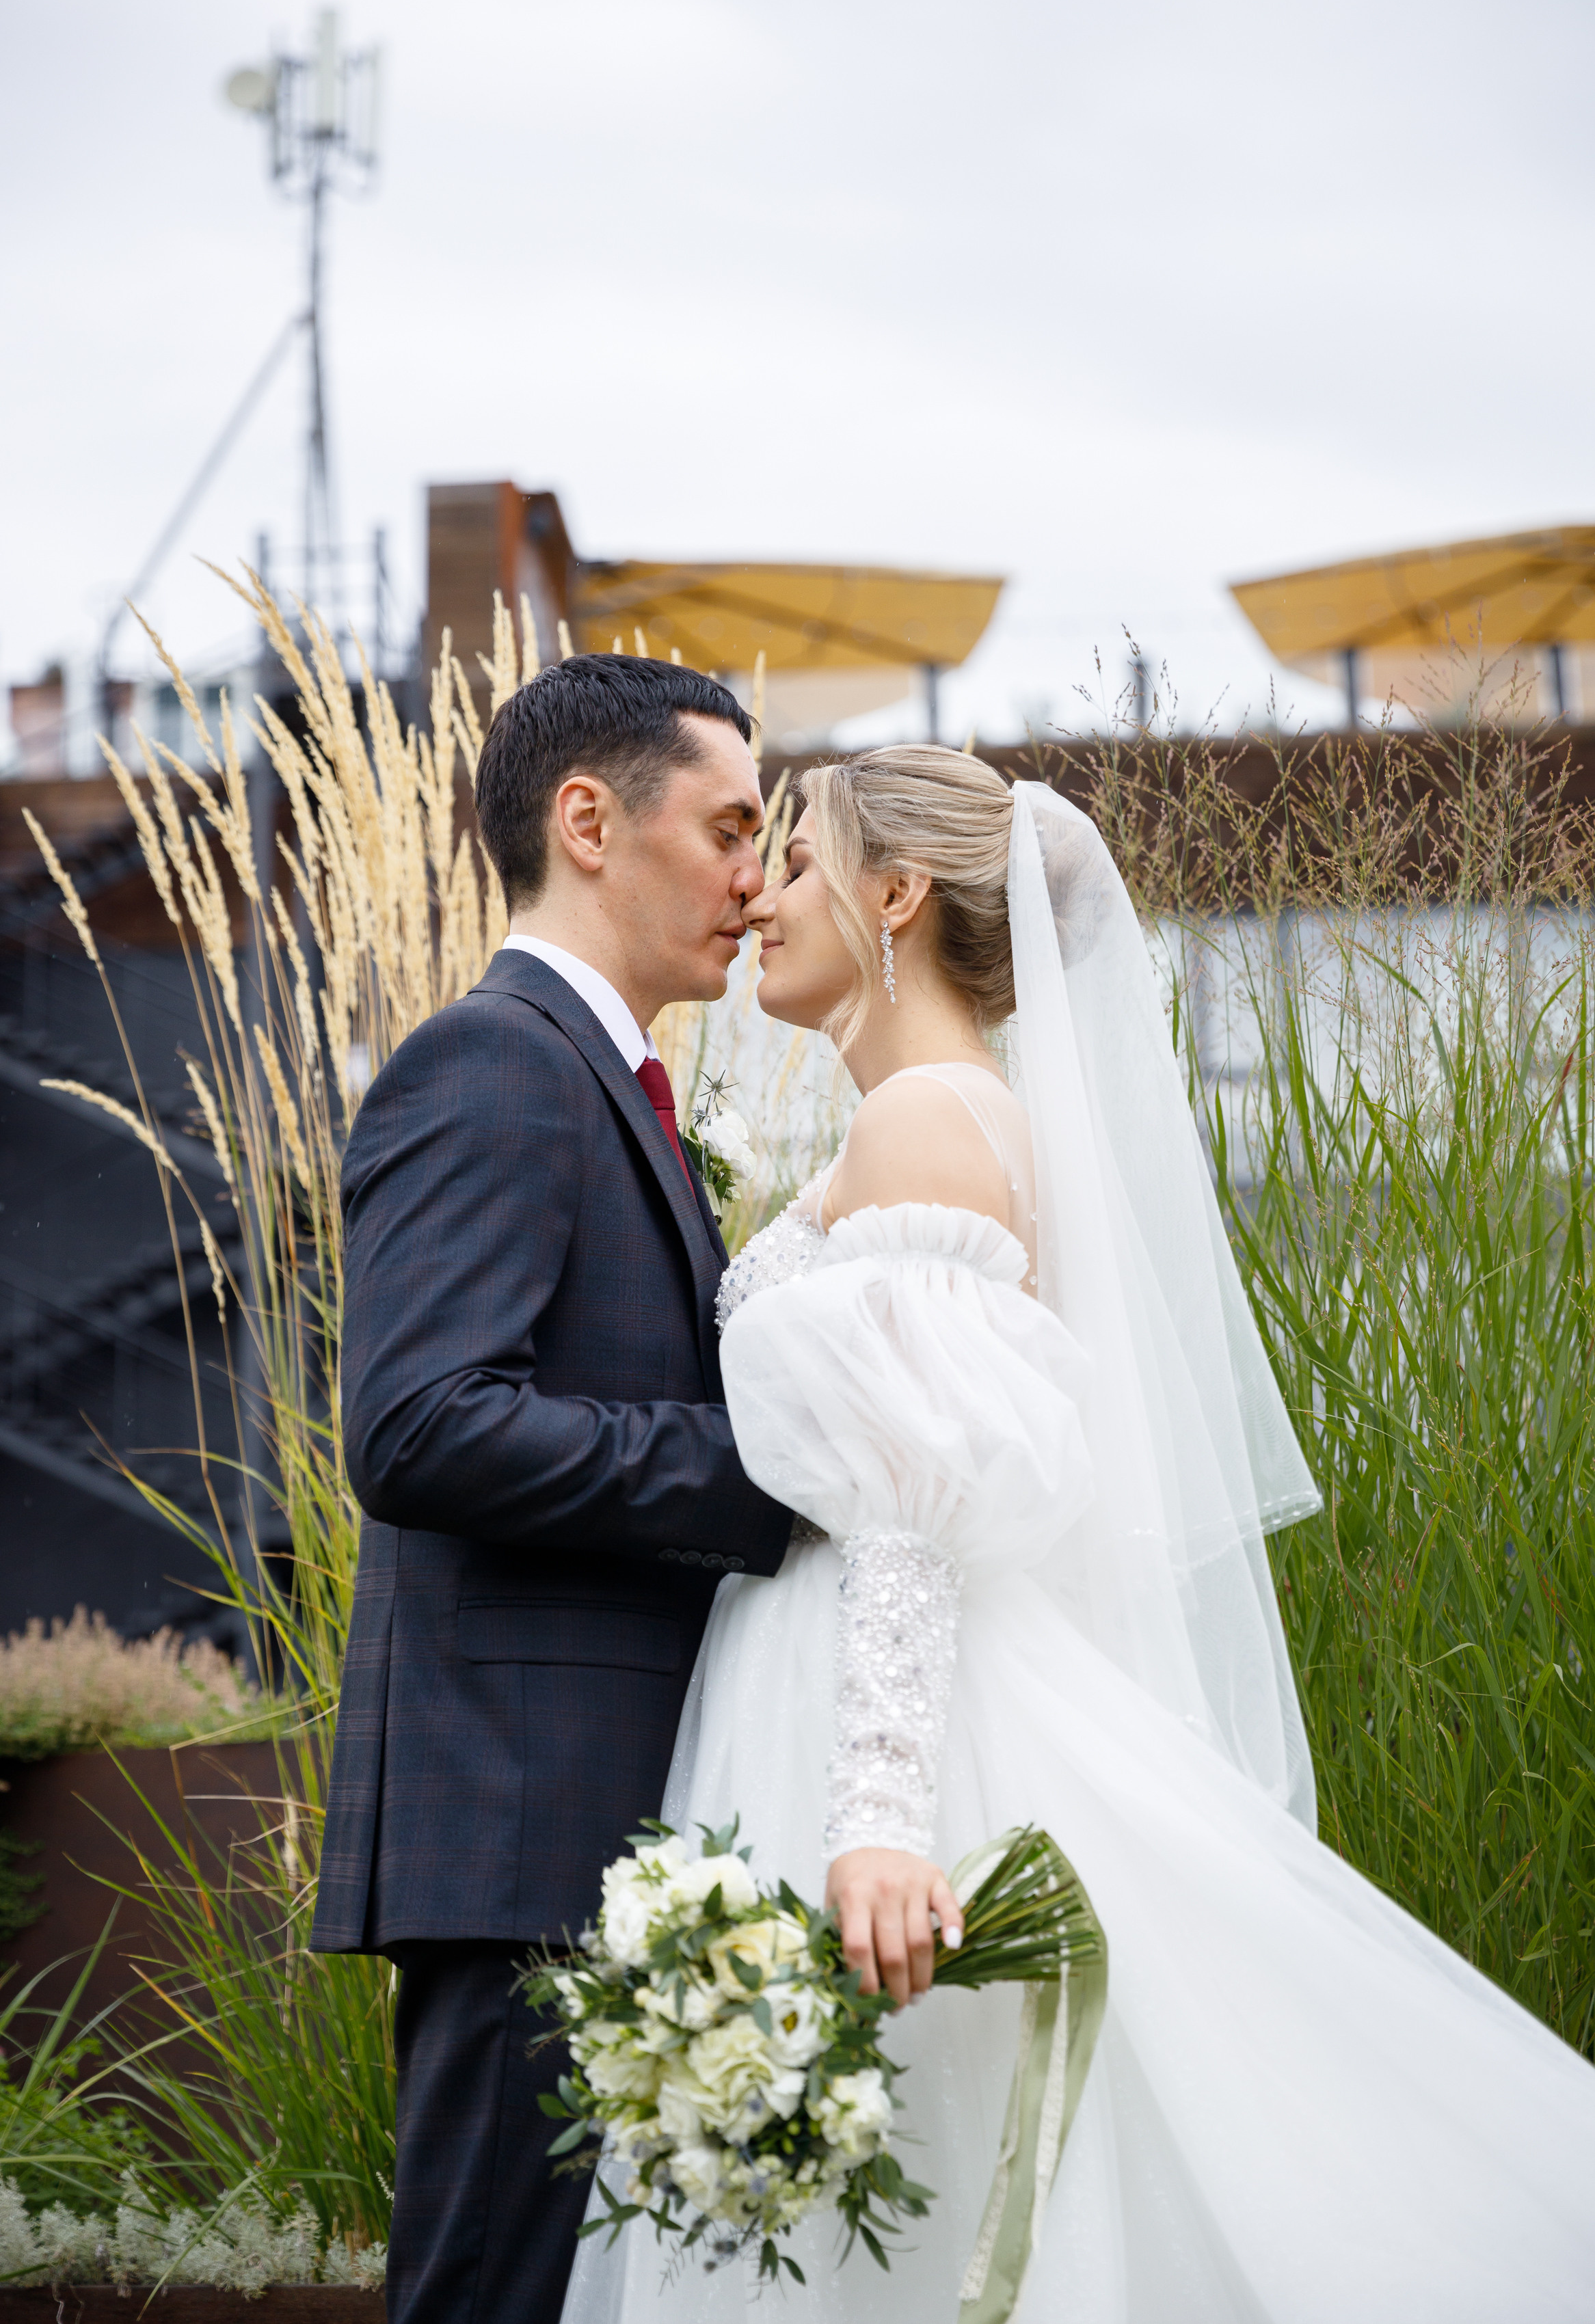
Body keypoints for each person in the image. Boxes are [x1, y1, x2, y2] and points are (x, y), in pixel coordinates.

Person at [560, 746, 1595, 2324]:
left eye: (797, 856)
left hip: (888, 1704)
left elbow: (913, 1502)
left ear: (897, 892)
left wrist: (880, 1813)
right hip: (859, 1671)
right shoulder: (928, 1119)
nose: (760, 892)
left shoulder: (925, 1121)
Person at [310, 655, 793, 2324]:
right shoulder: (494, 1062)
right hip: (522, 1828)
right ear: (589, 821)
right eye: (729, 829)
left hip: (602, 1825)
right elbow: (421, 1423)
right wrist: (767, 1470)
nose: (758, 879)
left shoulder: (609, 1083)